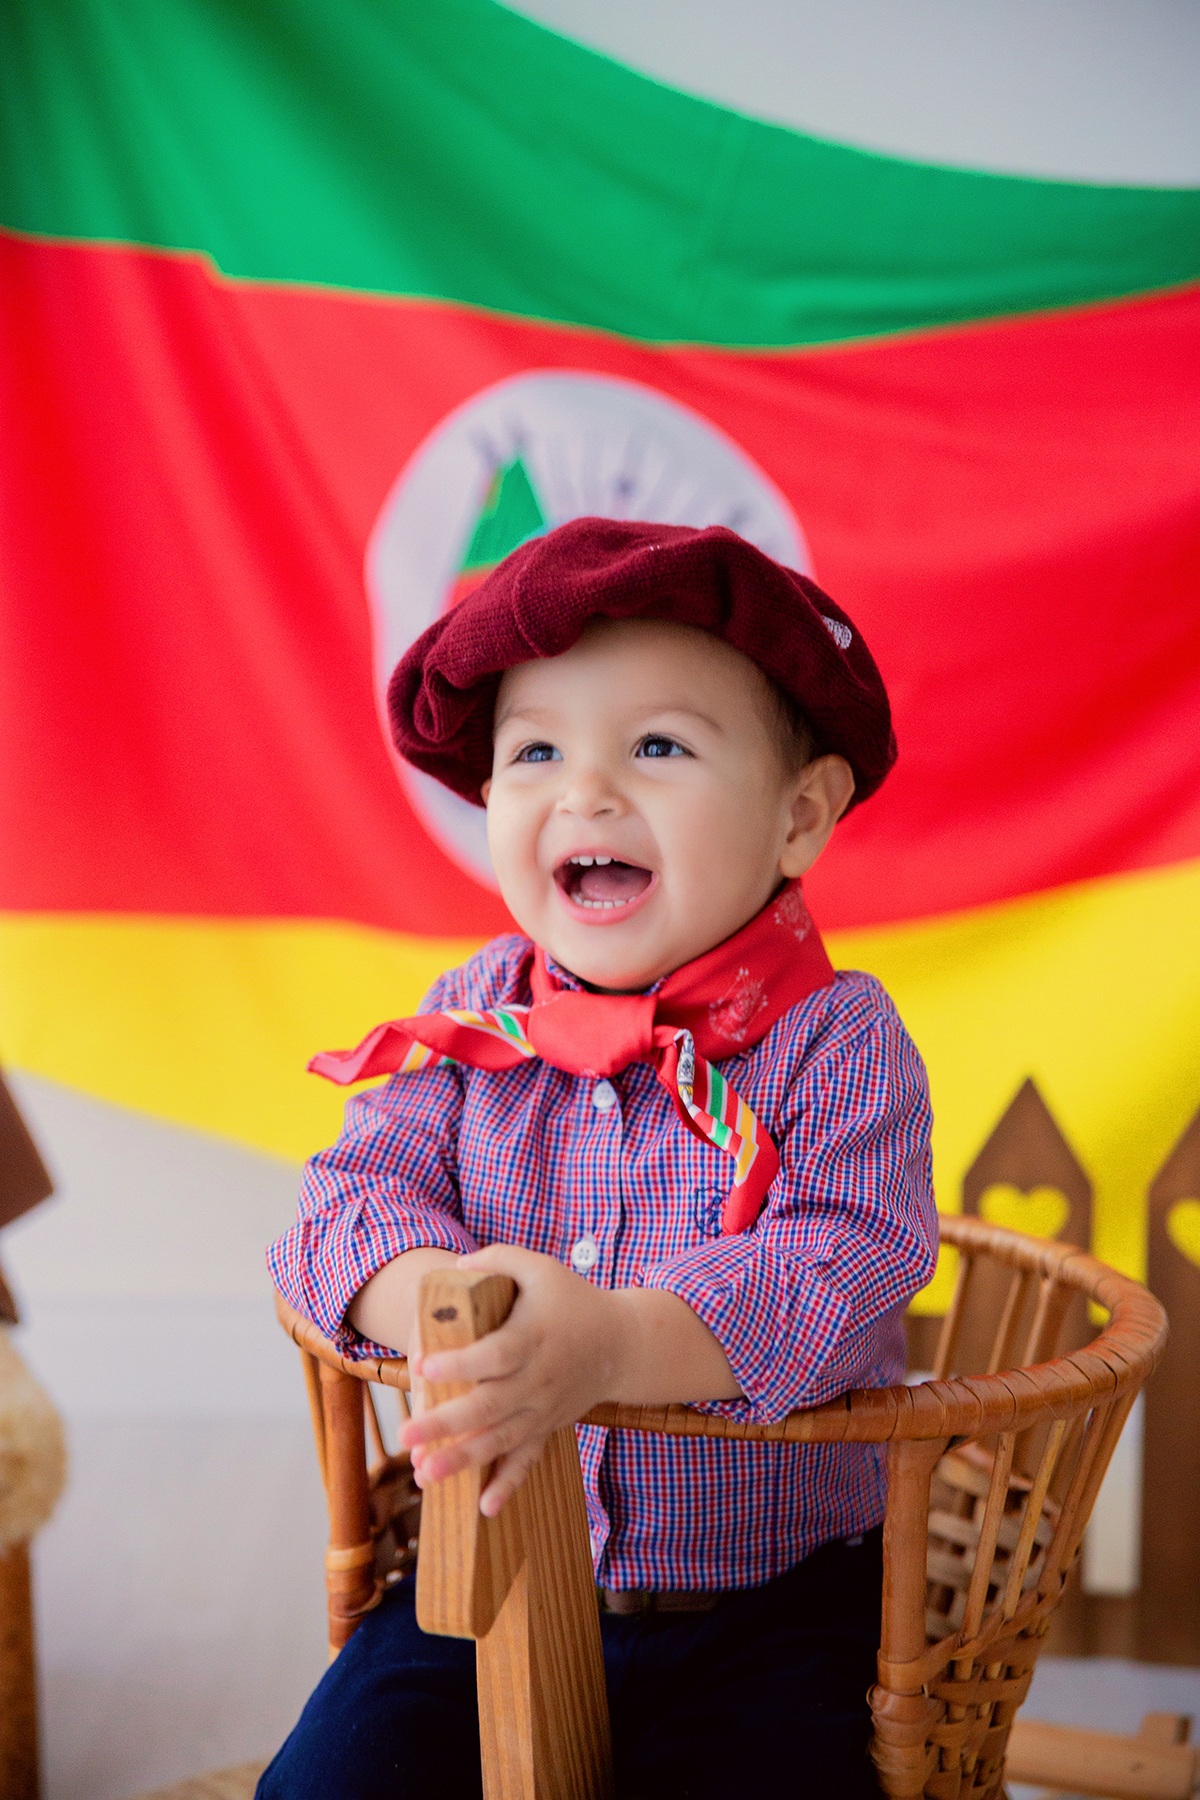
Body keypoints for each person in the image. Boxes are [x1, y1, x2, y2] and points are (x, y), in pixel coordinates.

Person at [261, 518, 938, 1799]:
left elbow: (846, 1259)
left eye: (659, 745)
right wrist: (465, 1325)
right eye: (537, 752)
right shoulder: (473, 1019)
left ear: (800, 816)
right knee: (326, 1786)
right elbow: (347, 1205)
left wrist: (616, 1345)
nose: (586, 791)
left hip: (768, 1599)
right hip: (487, 1569)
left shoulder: (834, 1039)